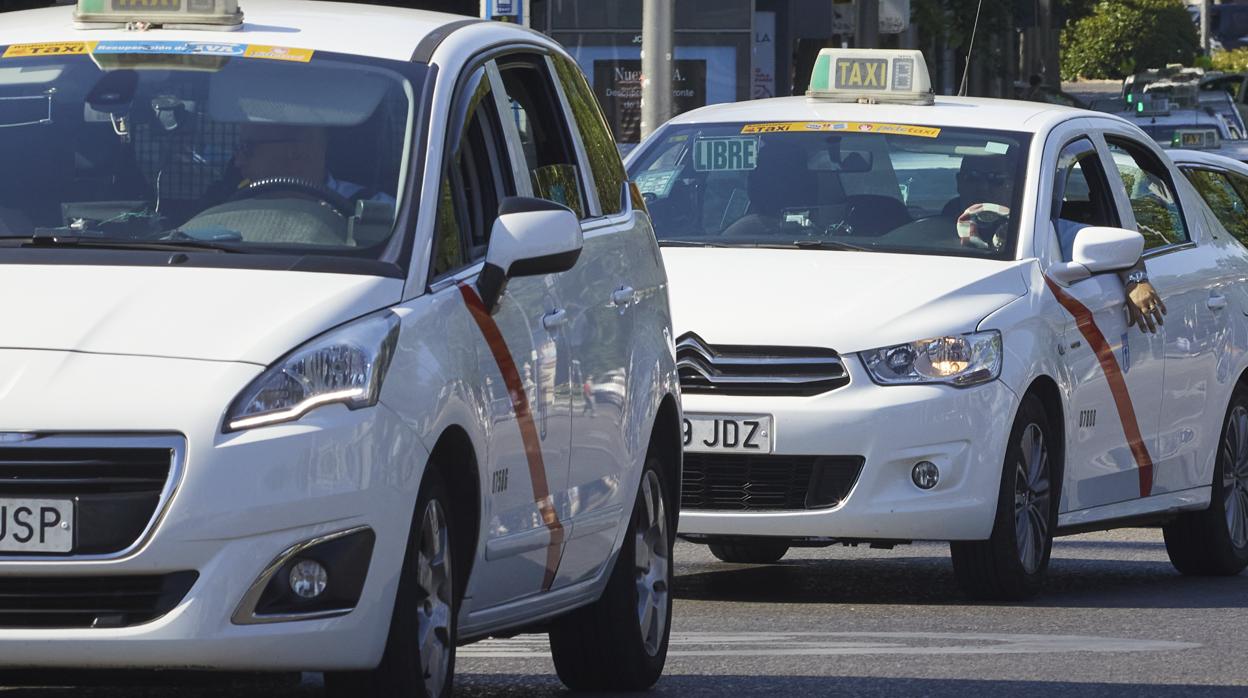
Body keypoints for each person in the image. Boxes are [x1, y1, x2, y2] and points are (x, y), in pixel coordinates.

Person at [947, 153, 1166, 334]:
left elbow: (1120, 249)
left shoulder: (1042, 228)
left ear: (1013, 185)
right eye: (973, 177)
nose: (983, 186)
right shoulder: (924, 228)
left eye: (996, 179)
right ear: (958, 181)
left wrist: (1136, 282)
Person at [232, 123, 394, 205]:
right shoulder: (228, 204)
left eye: (247, 148)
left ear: (295, 153)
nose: (238, 162)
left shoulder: (378, 212)